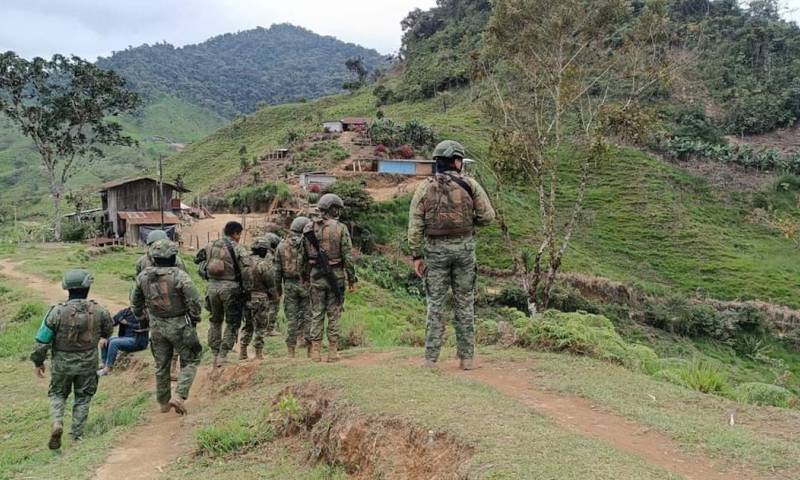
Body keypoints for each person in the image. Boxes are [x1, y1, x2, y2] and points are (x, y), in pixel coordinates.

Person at [408, 140, 496, 370]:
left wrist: (416, 256)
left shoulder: (424, 188)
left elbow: (415, 226)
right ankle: (466, 359)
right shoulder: (470, 185)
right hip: (464, 251)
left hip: (435, 253)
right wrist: (469, 222)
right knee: (464, 303)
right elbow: (488, 216)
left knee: (435, 304)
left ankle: (431, 360)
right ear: (456, 161)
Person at [30, 269, 113, 450]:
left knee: (57, 394)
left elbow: (42, 340)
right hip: (88, 362)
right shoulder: (100, 310)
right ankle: (76, 435)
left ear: (67, 288)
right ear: (88, 287)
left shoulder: (56, 312)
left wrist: (38, 362)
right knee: (83, 397)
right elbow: (108, 331)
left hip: (62, 363)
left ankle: (57, 422)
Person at [131, 239, 203, 415]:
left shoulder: (143, 277)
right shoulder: (180, 276)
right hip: (179, 325)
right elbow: (195, 301)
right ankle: (179, 396)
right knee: (192, 359)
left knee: (161, 365)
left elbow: (135, 304)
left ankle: (163, 403)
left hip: (156, 326)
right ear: (173, 257)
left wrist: (143, 318)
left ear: (154, 258)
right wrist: (194, 317)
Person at [303, 194, 357, 362]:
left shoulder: (308, 228)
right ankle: (333, 352)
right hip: (336, 276)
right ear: (334, 208)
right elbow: (348, 256)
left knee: (317, 313)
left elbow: (302, 257)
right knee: (334, 314)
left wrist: (304, 277)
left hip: (315, 277)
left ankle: (316, 352)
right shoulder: (340, 228)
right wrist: (352, 279)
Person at [136, 229, 186, 381]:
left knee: (157, 336)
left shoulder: (141, 262)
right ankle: (171, 367)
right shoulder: (176, 260)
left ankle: (162, 366)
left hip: (153, 306)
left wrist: (140, 309)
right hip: (174, 304)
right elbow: (185, 281)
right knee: (177, 336)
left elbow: (138, 285)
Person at [200, 221, 250, 367]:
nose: (239, 237)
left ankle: (215, 354)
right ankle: (223, 354)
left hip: (212, 288)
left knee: (215, 321)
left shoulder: (210, 245)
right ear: (235, 233)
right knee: (232, 322)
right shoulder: (238, 248)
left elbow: (200, 263)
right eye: (239, 234)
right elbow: (246, 271)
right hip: (231, 289)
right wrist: (247, 289)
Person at [275, 216, 312, 358]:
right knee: (309, 317)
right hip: (306, 283)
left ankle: (291, 352)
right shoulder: (308, 244)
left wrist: (278, 290)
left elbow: (277, 271)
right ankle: (310, 351)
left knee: (292, 319)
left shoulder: (281, 246)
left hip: (289, 285)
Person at [239, 236, 279, 360]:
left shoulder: (243, 263)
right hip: (261, 298)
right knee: (260, 326)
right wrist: (275, 297)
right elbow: (271, 284)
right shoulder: (265, 265)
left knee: (248, 325)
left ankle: (243, 352)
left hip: (246, 298)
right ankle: (258, 354)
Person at [97, 307, 149, 376]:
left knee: (114, 343)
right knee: (107, 340)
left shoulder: (144, 313)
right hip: (125, 338)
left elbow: (143, 327)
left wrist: (127, 323)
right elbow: (113, 321)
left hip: (138, 340)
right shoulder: (126, 311)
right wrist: (104, 335)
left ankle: (108, 369)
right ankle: (103, 363)